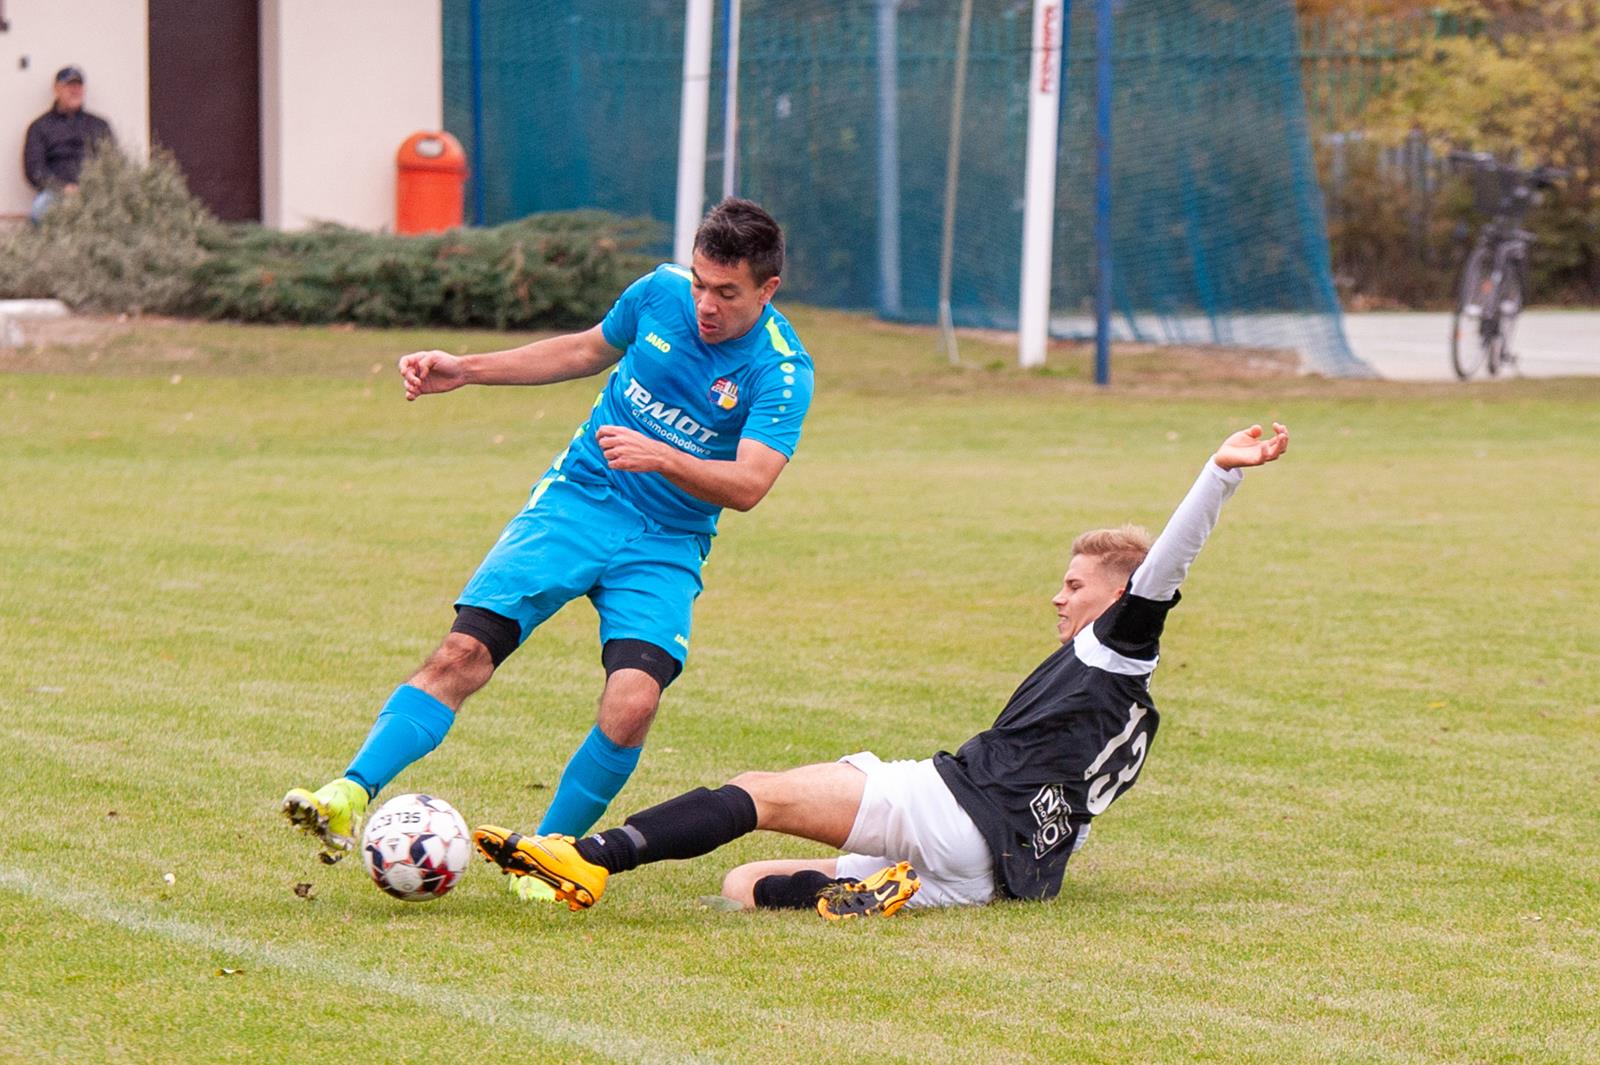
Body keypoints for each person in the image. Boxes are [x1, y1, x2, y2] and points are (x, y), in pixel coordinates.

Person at [472, 423, 1290, 919]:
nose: (1057, 595)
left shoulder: (1118, 643)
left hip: (955, 806)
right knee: (743, 883)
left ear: (1118, 595)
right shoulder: (1130, 707)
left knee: (762, 792)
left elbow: (1168, 563)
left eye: (1074, 584)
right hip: (992, 875)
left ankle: (588, 858)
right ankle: (857, 896)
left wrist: (1219, 473)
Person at [283, 199, 816, 905]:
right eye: (699, 282)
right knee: (460, 655)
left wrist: (660, 456)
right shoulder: (657, 296)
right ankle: (350, 792)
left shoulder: (781, 370)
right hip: (577, 502)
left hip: (666, 543)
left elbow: (749, 484)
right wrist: (465, 369)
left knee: (633, 703)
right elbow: (582, 349)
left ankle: (544, 853)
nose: (704, 305)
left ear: (766, 290)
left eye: (726, 292)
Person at [23, 66, 114, 224]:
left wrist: (91, 187)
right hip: (55, 193)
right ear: (56, 89)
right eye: (69, 86)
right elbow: (34, 169)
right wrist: (63, 188)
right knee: (39, 209)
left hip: (95, 192)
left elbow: (113, 162)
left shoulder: (99, 125)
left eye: (78, 86)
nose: (75, 90)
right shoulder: (39, 127)